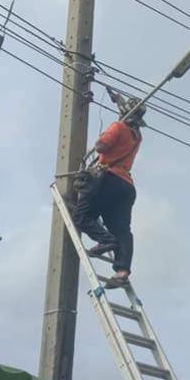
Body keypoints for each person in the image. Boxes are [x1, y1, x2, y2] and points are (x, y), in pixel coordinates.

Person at [72, 100, 145, 290]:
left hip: (108, 180)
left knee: (82, 216)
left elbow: (101, 146)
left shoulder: (118, 126)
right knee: (121, 229)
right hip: (126, 186)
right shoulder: (137, 137)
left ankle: (105, 240)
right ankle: (122, 272)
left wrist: (104, 136)